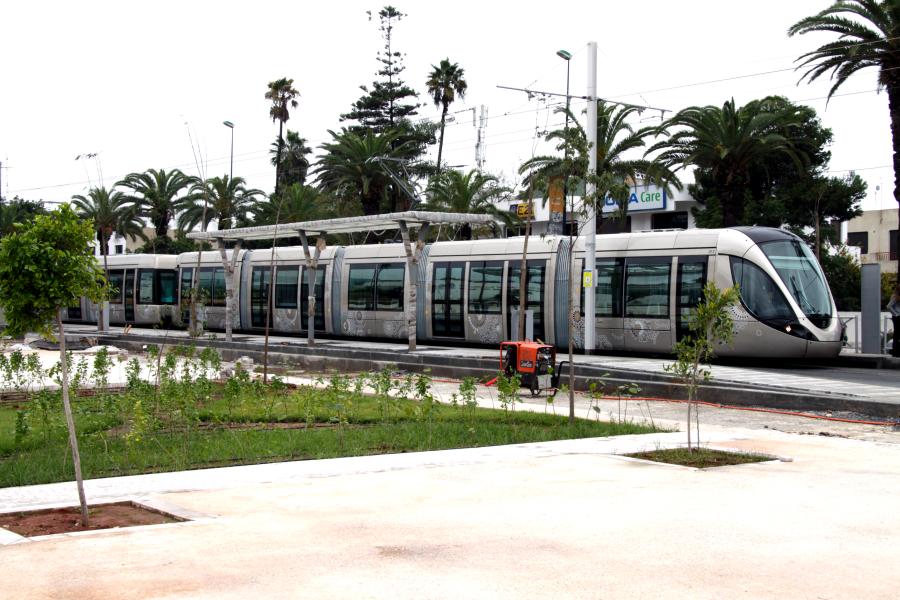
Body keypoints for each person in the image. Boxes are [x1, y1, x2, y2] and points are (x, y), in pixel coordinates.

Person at [889, 284, 900, 357]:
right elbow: (889, 306)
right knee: (897, 334)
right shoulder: (895, 296)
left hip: (898, 317)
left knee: (897, 334)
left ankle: (896, 351)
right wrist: (896, 314)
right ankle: (895, 351)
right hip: (897, 317)